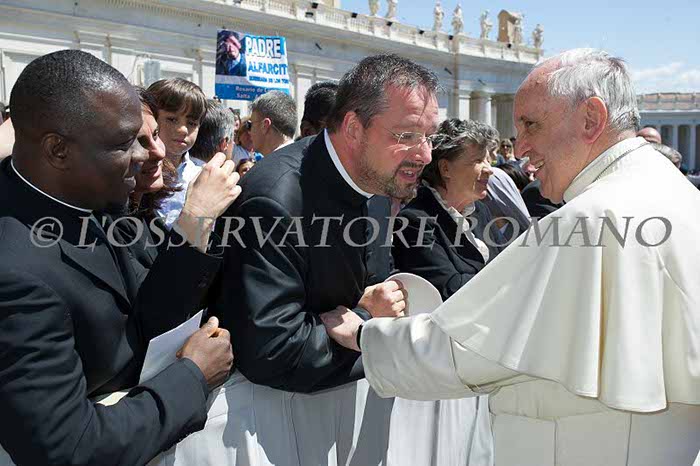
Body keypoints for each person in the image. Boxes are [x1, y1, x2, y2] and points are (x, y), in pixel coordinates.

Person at [322, 48, 700, 466]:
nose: (520, 149)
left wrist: (366, 336)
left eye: (531, 125)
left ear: (591, 119)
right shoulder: (676, 191)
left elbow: (466, 348)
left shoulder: (590, 217)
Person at [162, 54, 438, 466]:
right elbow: (272, 351)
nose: (426, 154)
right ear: (354, 128)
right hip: (274, 429)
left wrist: (364, 317)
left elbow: (371, 289)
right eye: (408, 135)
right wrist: (366, 321)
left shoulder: (376, 181)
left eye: (429, 136)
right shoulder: (276, 199)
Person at [0, 50, 236, 466]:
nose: (148, 155)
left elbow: (150, 314)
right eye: (125, 144)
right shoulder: (14, 274)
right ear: (57, 150)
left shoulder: (97, 200)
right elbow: (71, 447)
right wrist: (193, 376)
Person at [147, 78, 207, 227]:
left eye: (192, 123)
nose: (183, 130)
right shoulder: (135, 172)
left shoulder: (201, 177)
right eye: (172, 119)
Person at [247, 90, 297, 155]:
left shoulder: (275, 161)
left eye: (250, 125)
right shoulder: (305, 157)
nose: (249, 132)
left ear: (265, 125)